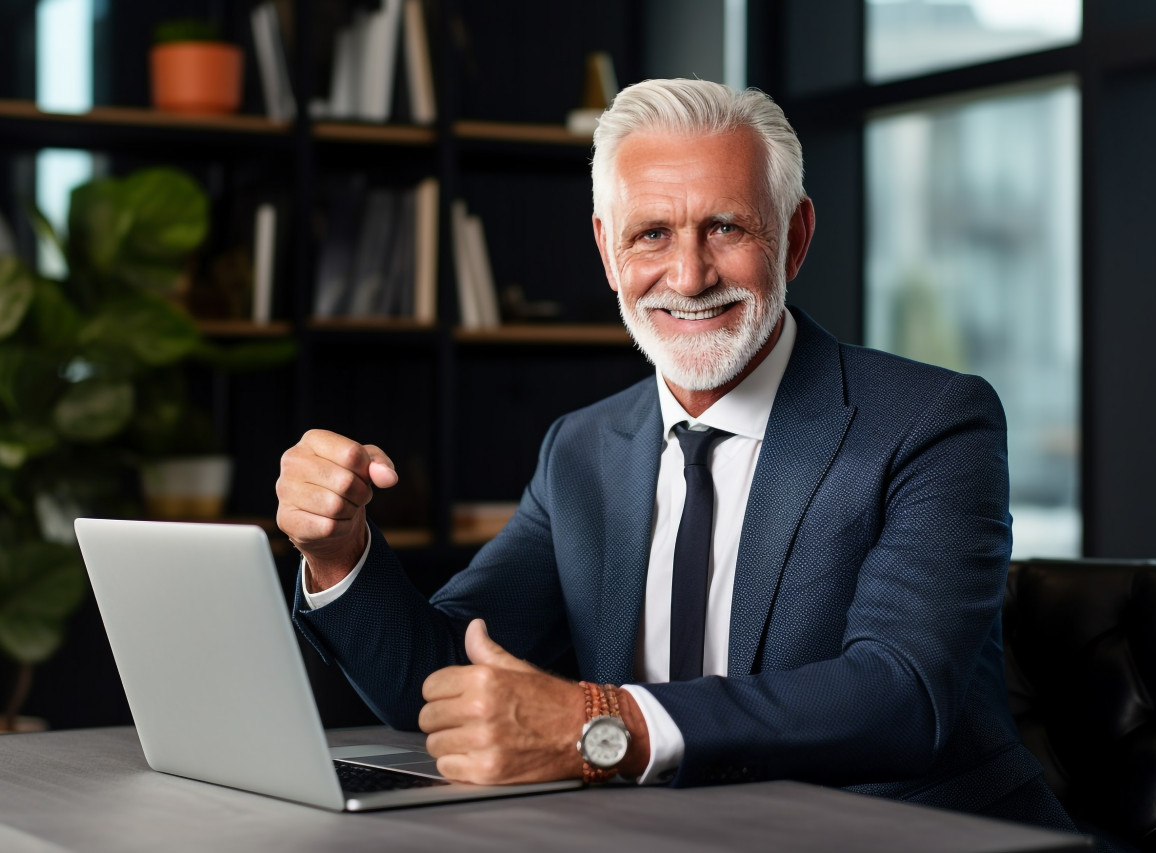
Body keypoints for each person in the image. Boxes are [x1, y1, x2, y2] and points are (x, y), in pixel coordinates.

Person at [277, 78, 1081, 834]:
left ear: (795, 237)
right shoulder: (582, 448)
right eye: (652, 234)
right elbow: (442, 680)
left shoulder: (932, 421)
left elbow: (902, 695)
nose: (689, 275)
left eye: (726, 228)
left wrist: (602, 724)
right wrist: (340, 554)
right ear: (606, 250)